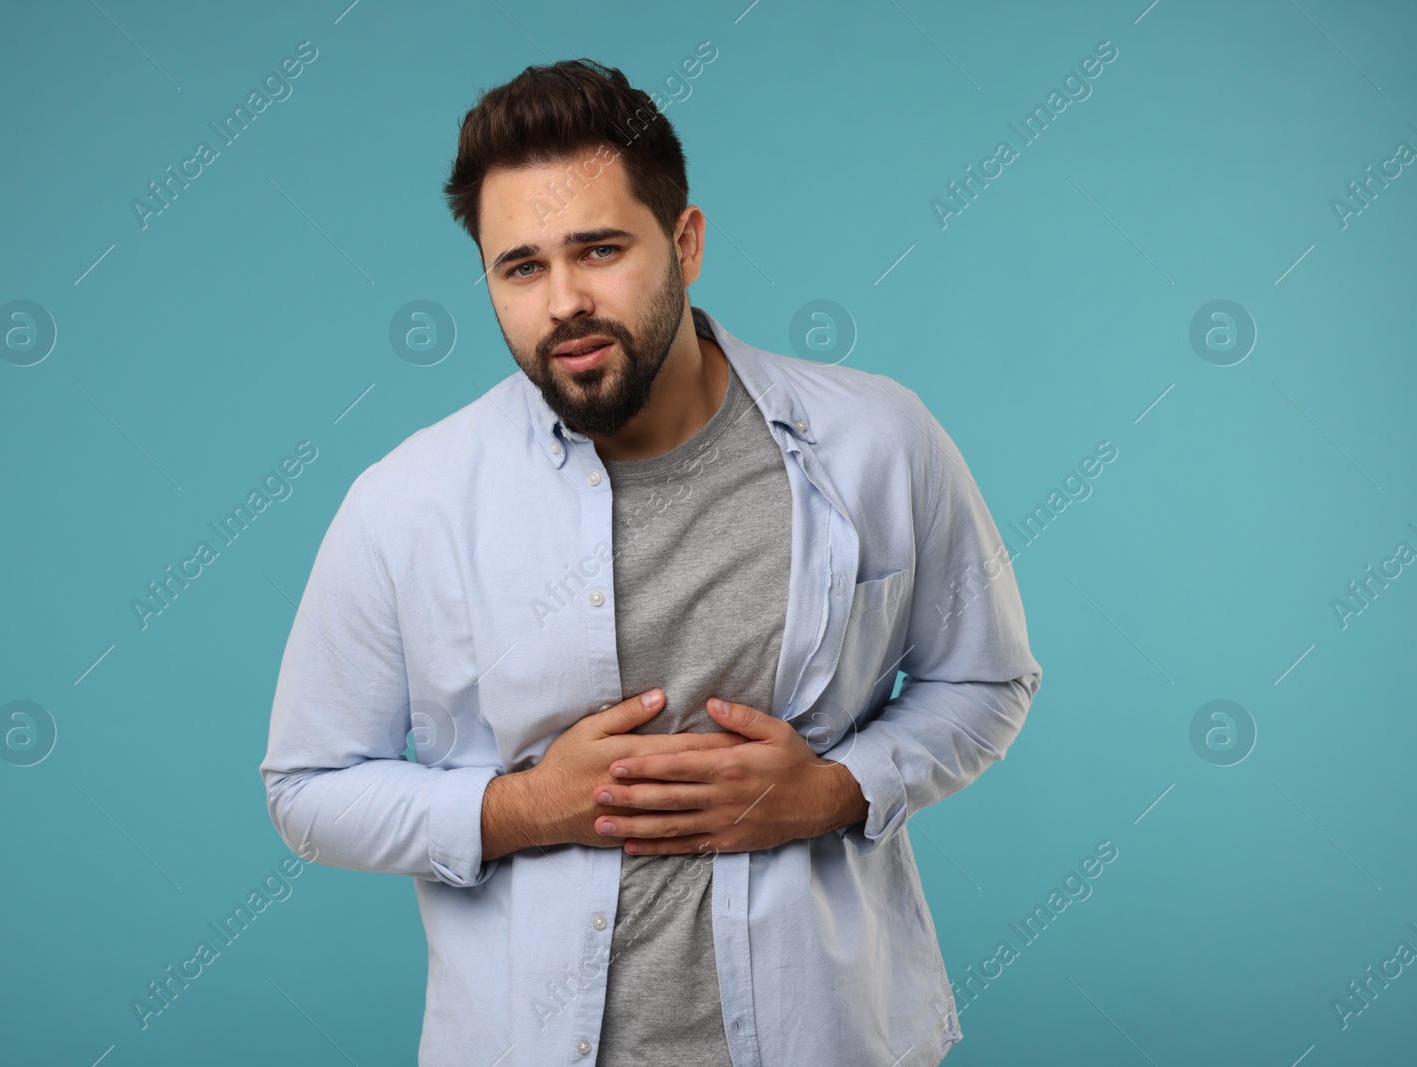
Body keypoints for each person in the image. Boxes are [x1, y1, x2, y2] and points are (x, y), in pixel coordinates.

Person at [260, 57, 1041, 1067]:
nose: (564, 301)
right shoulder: (407, 502)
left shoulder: (875, 439)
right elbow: (308, 786)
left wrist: (835, 789)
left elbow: (986, 677)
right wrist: (523, 807)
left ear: (685, 241)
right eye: (522, 266)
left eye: (598, 249)